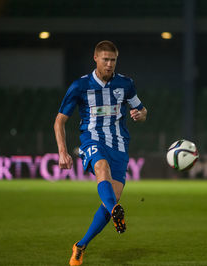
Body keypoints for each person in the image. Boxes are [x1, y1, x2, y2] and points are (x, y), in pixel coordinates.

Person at [54, 40, 147, 266]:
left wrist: (141, 115)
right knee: (101, 168)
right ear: (95, 58)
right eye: (105, 59)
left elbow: (142, 109)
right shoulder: (80, 86)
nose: (109, 64)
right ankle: (116, 210)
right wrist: (63, 152)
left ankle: (81, 245)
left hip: (119, 144)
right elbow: (59, 122)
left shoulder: (126, 84)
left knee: (110, 200)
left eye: (113, 60)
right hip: (92, 139)